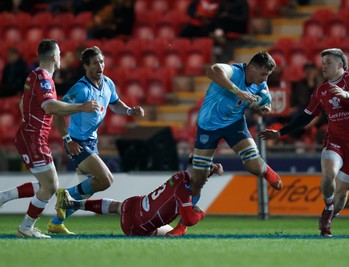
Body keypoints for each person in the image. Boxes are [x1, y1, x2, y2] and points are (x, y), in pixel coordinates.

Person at [258, 48, 349, 237]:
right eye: (322, 63)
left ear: (340, 64)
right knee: (328, 173)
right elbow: (306, 117)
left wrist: (346, 94)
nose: (324, 66)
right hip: (334, 139)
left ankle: (330, 217)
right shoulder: (321, 90)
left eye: (328, 62)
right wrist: (280, 133)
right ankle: (328, 207)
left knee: (343, 191)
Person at [0, 39, 100, 238]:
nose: (61, 57)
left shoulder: (34, 75)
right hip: (34, 138)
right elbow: (50, 107)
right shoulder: (44, 79)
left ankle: (3, 198)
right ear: (55, 57)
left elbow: (22, 103)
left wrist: (29, 120)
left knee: (47, 185)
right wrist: (82, 107)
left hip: (29, 135)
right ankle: (26, 227)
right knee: (51, 186)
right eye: (60, 54)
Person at [47, 45, 145, 235]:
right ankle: (65, 195)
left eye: (101, 61)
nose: (99, 66)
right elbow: (58, 110)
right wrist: (67, 139)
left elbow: (115, 104)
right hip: (76, 143)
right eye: (94, 63)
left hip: (91, 142)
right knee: (106, 180)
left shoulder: (108, 83)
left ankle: (56, 222)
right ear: (85, 66)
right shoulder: (81, 89)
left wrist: (130, 111)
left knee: (88, 191)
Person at [190, 51, 283, 211]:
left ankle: (266, 171)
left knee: (255, 168)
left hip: (234, 124)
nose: (265, 79)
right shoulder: (234, 71)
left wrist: (261, 108)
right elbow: (211, 70)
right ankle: (188, 214)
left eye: (267, 75)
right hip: (208, 125)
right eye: (263, 74)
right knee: (198, 180)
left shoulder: (261, 85)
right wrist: (238, 92)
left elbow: (264, 107)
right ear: (252, 67)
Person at [57, 156, 224, 236]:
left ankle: (74, 204)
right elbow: (189, 219)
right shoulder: (184, 192)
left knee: (117, 206)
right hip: (138, 228)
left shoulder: (181, 176)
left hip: (135, 204)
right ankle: (176, 232)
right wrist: (202, 213)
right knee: (182, 222)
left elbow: (197, 180)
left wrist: (210, 172)